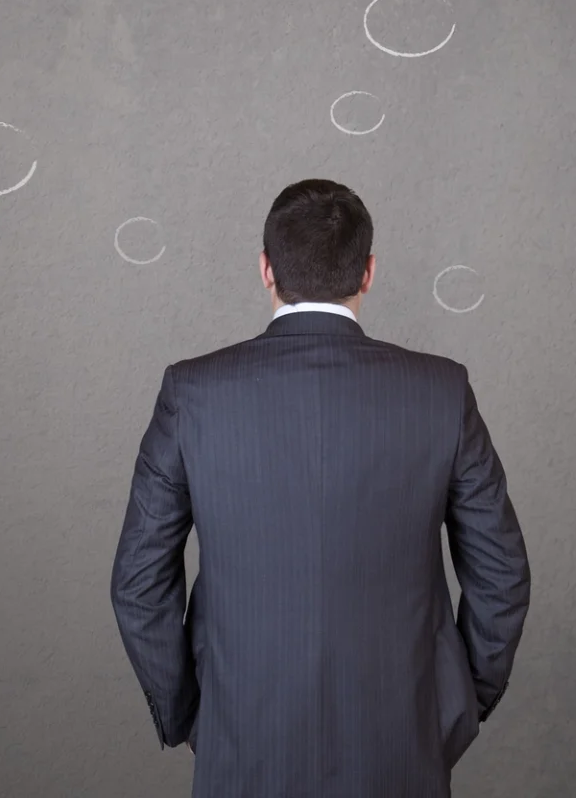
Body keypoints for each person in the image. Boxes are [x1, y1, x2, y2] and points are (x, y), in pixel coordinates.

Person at [110, 178, 531, 797]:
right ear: (368, 272)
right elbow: (501, 575)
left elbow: (139, 584)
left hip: (242, 746)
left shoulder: (194, 394)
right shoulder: (440, 392)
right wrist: (452, 705)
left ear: (265, 270)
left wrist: (193, 717)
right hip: (402, 751)